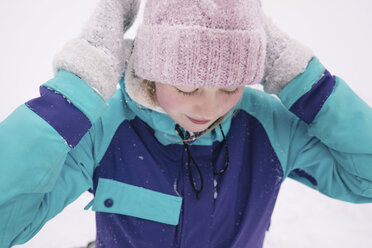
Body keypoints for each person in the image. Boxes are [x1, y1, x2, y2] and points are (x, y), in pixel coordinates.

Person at [1, 0, 372, 247]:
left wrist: (306, 83)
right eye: (186, 85)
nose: (208, 108)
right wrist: (73, 95)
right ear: (150, 67)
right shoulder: (106, 126)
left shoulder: (269, 128)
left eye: (229, 86)